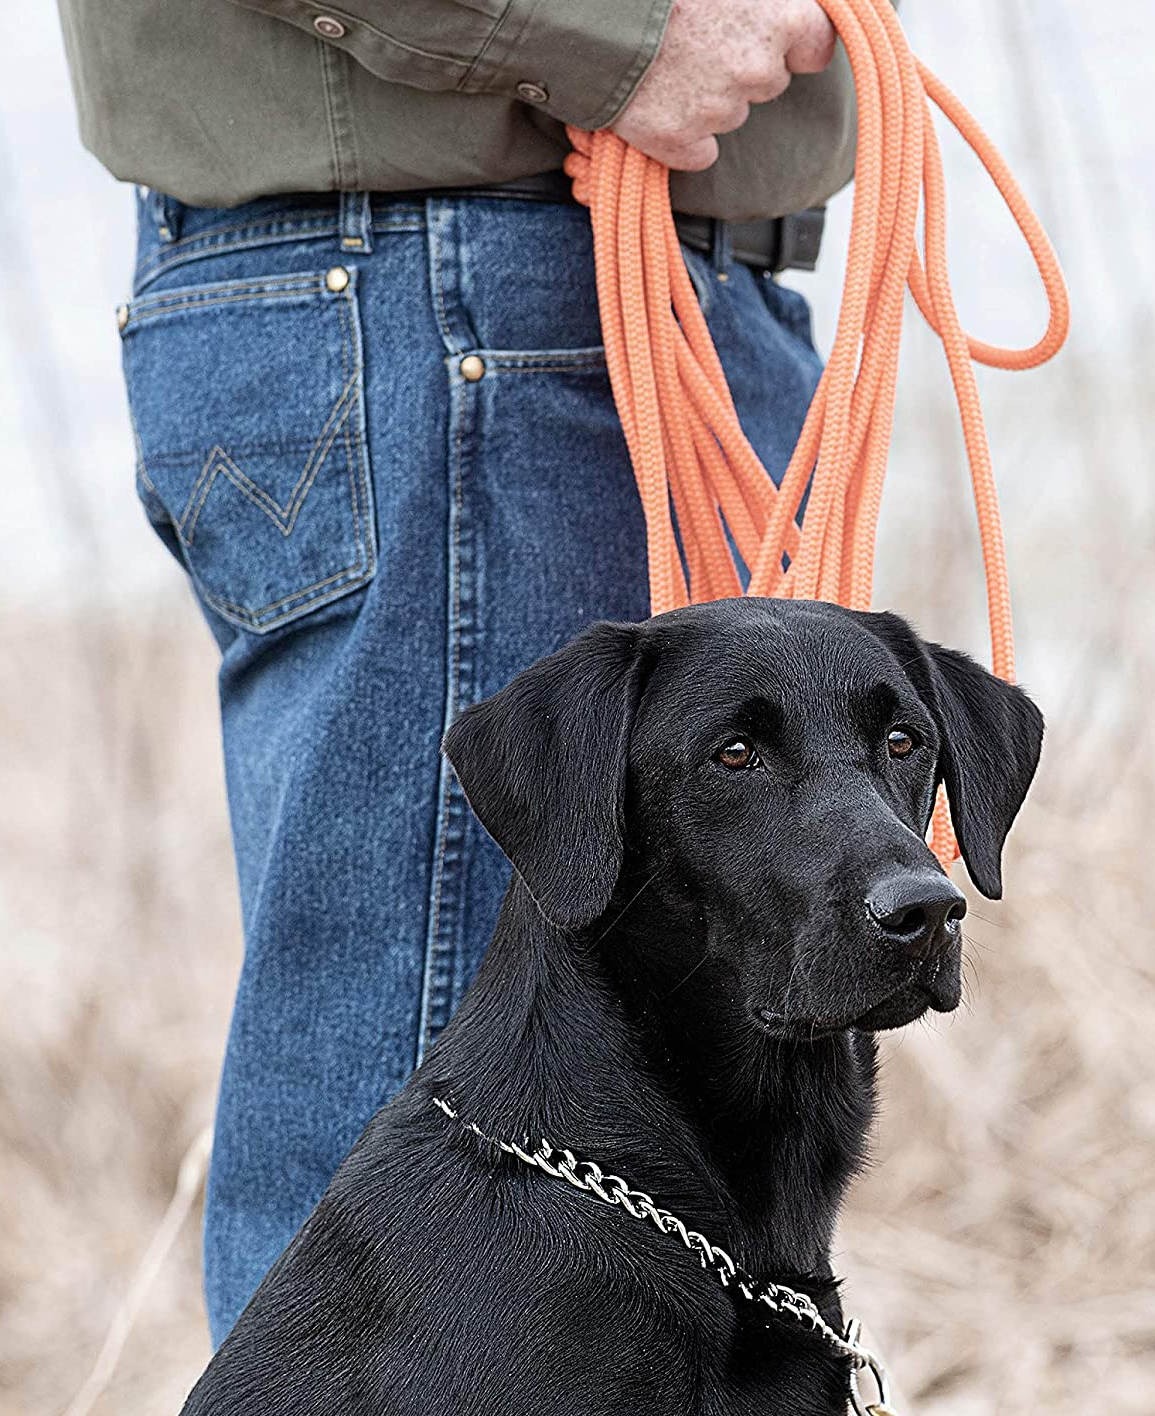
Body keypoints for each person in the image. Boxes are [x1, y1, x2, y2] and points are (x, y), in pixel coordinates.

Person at [57, 0, 852, 1346]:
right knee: (414, 1231)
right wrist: (616, 34)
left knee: (661, 1231)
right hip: (469, 289)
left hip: (636, 291)